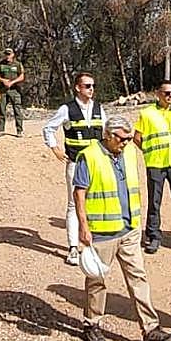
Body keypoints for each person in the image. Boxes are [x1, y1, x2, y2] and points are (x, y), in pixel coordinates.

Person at [73, 116, 171, 341]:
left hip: (129, 229)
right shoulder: (89, 156)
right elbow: (79, 193)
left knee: (138, 278)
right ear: (107, 136)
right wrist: (83, 226)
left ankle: (150, 329)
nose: (127, 143)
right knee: (97, 281)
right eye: (122, 139)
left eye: (130, 139)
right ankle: (92, 324)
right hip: (102, 232)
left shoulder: (130, 152)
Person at [43, 72, 106, 265]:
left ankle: (92, 245)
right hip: (76, 163)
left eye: (93, 85)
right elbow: (48, 128)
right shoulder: (67, 109)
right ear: (78, 88)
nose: (91, 89)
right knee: (74, 205)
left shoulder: (99, 109)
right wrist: (54, 148)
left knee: (95, 204)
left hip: (96, 163)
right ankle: (72, 248)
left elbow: (107, 130)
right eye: (87, 86)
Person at [134, 82, 171, 254]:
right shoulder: (146, 114)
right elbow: (137, 137)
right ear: (158, 93)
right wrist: (148, 151)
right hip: (156, 164)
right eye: (166, 93)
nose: (170, 96)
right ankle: (153, 237)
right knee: (154, 202)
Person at [0, 47, 25, 136]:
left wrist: (12, 82)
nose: (7, 56)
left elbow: (22, 76)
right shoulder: (1, 64)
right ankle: (1, 130)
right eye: (6, 54)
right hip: (3, 90)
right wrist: (3, 80)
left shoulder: (17, 64)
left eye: (9, 54)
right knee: (2, 110)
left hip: (14, 90)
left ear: (13, 54)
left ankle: (19, 130)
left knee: (17, 110)